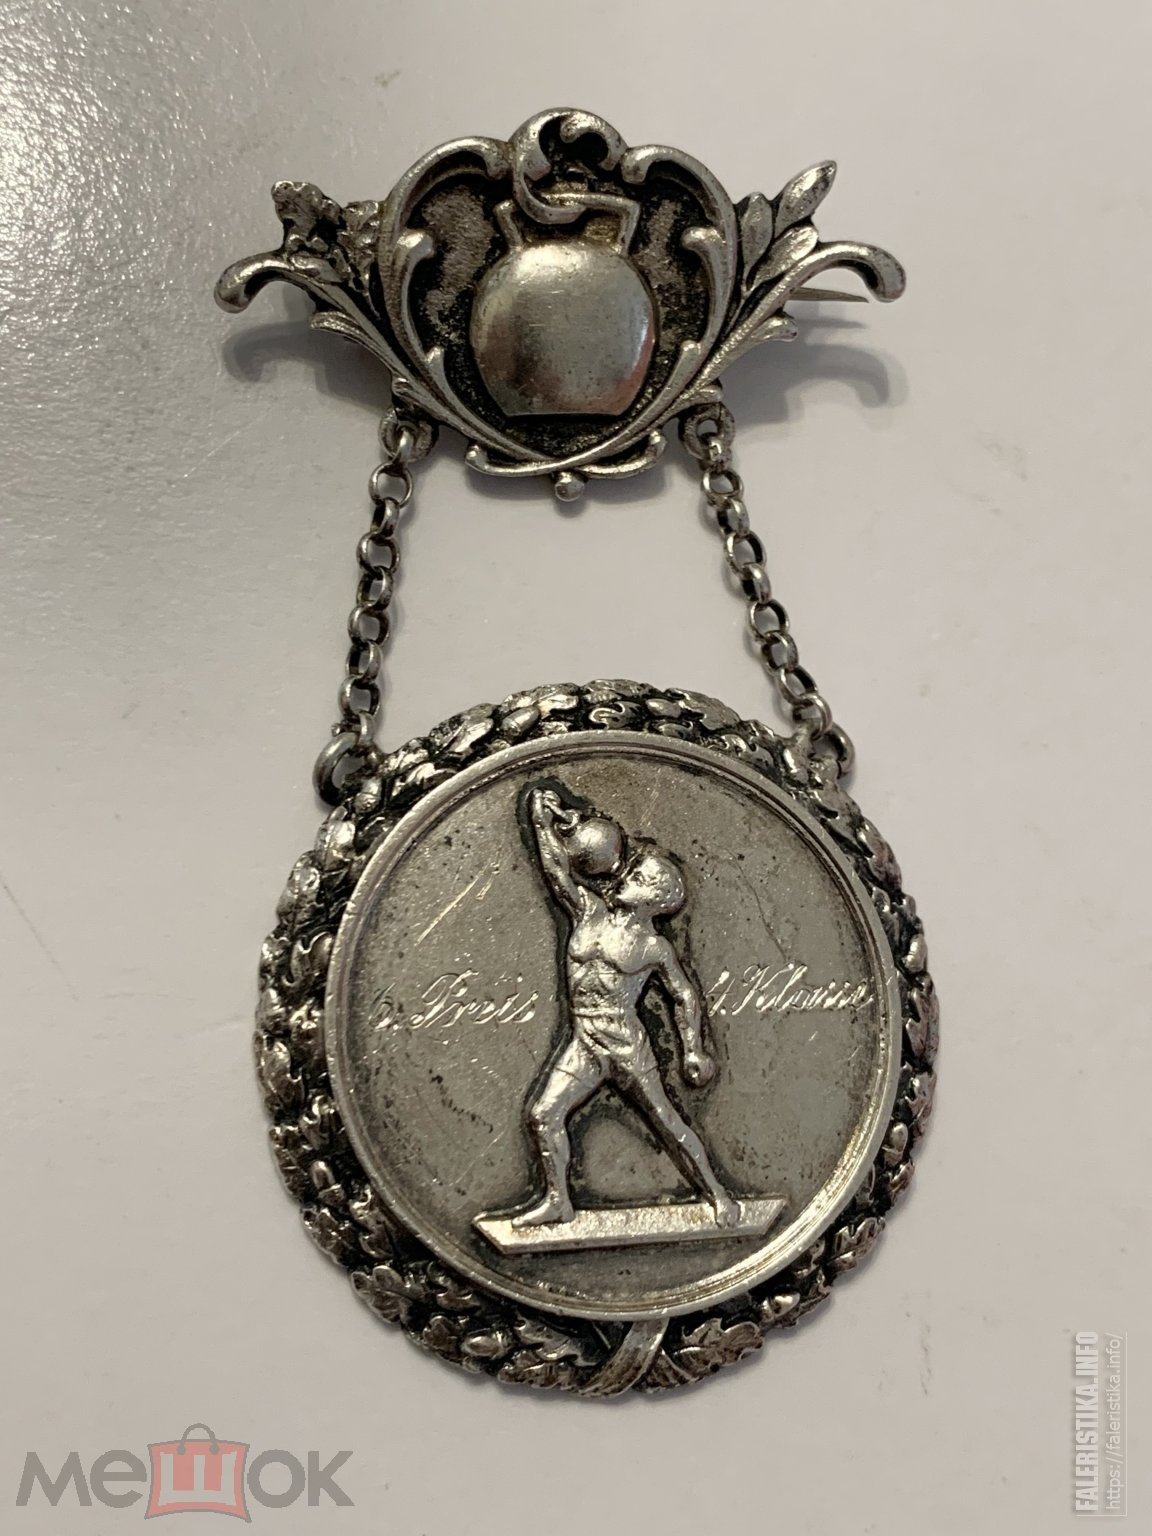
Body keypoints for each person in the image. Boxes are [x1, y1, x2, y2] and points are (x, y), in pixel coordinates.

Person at [513, 783, 737, 1228]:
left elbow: (683, 995)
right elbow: (554, 869)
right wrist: (540, 818)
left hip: (626, 1045)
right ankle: (558, 1202)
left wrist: (693, 1049)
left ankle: (718, 1195)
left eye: (637, 877)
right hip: (584, 1041)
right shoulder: (588, 912)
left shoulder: (654, 947)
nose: (625, 877)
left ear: (653, 897)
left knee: (668, 1123)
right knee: (543, 1116)